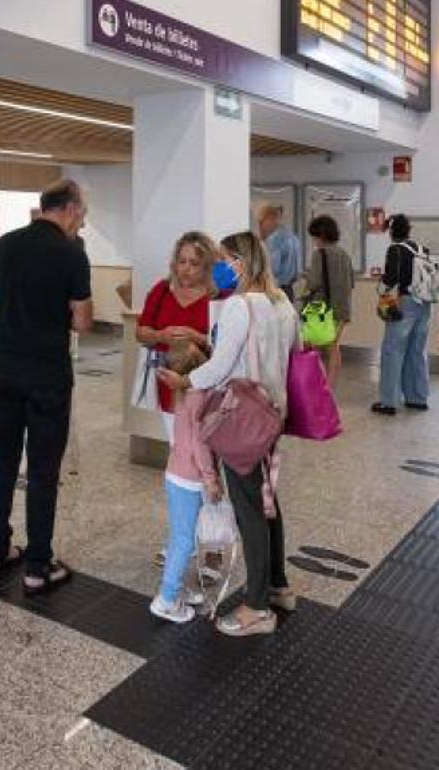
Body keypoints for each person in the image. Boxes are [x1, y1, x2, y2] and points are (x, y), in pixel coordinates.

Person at [159, 236, 300, 637]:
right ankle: (278, 585)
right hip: (273, 413)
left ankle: (256, 608)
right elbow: (293, 351)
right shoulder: (281, 303)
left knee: (249, 509)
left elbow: (221, 367)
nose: (216, 269)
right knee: (268, 500)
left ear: (239, 263)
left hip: (243, 421)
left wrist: (184, 379)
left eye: (222, 261)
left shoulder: (240, 305)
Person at [0, 179, 93, 595]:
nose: (82, 220)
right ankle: (37, 567)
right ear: (71, 209)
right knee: (43, 469)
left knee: (3, 459)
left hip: (4, 369)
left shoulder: (5, 245)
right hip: (48, 375)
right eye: (82, 213)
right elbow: (82, 322)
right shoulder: (71, 253)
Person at [149, 340, 219, 623]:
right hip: (189, 479)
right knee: (183, 541)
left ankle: (177, 589)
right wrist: (211, 479)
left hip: (175, 474)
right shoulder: (200, 398)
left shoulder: (183, 395)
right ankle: (166, 599)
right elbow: (200, 447)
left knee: (179, 535)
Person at [135, 232, 218, 440]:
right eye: (182, 261)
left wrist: (196, 336)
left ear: (207, 267)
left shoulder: (216, 297)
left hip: (202, 380)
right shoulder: (161, 290)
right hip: (166, 379)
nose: (186, 269)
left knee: (199, 441)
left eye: (194, 263)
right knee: (175, 439)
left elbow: (225, 343)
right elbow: (141, 332)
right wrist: (161, 336)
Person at [373, 214, 433, 415]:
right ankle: (417, 397)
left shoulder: (396, 249)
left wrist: (381, 291)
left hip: (406, 302)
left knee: (392, 350)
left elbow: (390, 278)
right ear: (409, 230)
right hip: (425, 304)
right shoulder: (422, 249)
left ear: (392, 231)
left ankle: (388, 401)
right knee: (417, 350)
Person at [304, 215, 355, 386]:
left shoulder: (320, 254)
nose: (314, 240)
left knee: (315, 347)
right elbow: (351, 283)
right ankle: (329, 385)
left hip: (321, 310)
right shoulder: (344, 254)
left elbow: (314, 283)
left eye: (314, 236)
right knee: (333, 347)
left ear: (321, 235)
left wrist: (306, 276)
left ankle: (315, 383)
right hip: (342, 308)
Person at [258, 205, 301, 301]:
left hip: (275, 290)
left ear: (269, 219)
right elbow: (298, 270)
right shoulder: (293, 238)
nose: (260, 226)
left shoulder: (273, 240)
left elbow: (273, 269)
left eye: (261, 221)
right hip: (289, 289)